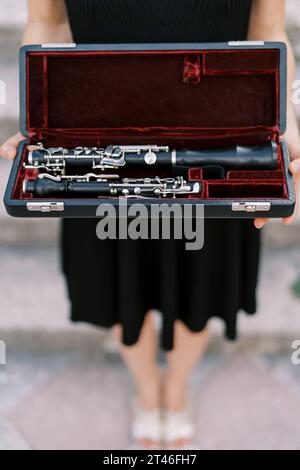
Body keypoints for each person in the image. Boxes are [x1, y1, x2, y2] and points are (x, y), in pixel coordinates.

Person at [1, 0, 300, 450]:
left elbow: (268, 24)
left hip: (220, 136)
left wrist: (285, 123)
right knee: (121, 290)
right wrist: (43, 112)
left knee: (203, 289)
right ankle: (147, 387)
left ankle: (176, 387)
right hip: (99, 132)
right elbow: (46, 21)